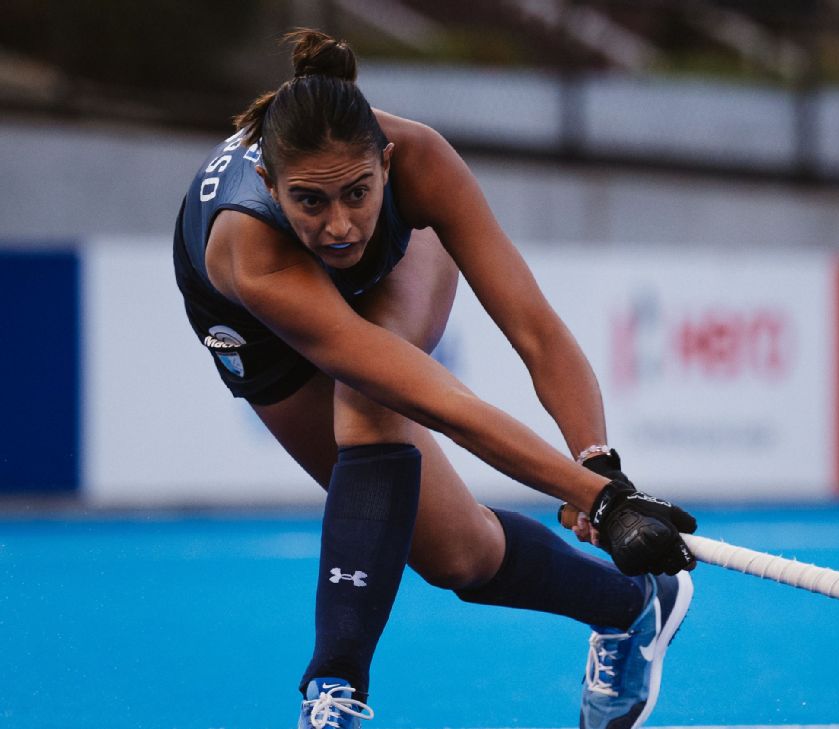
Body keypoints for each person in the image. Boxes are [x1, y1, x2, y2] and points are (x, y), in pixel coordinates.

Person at [173, 28, 698, 729]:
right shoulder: (251, 249)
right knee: (456, 555)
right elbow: (443, 404)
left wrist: (597, 466)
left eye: (358, 192)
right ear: (271, 185)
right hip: (251, 327)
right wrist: (600, 502)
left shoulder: (421, 158)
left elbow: (536, 331)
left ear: (386, 164)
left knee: (368, 401)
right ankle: (634, 605)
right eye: (311, 202)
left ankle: (332, 694)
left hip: (395, 273)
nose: (340, 226)